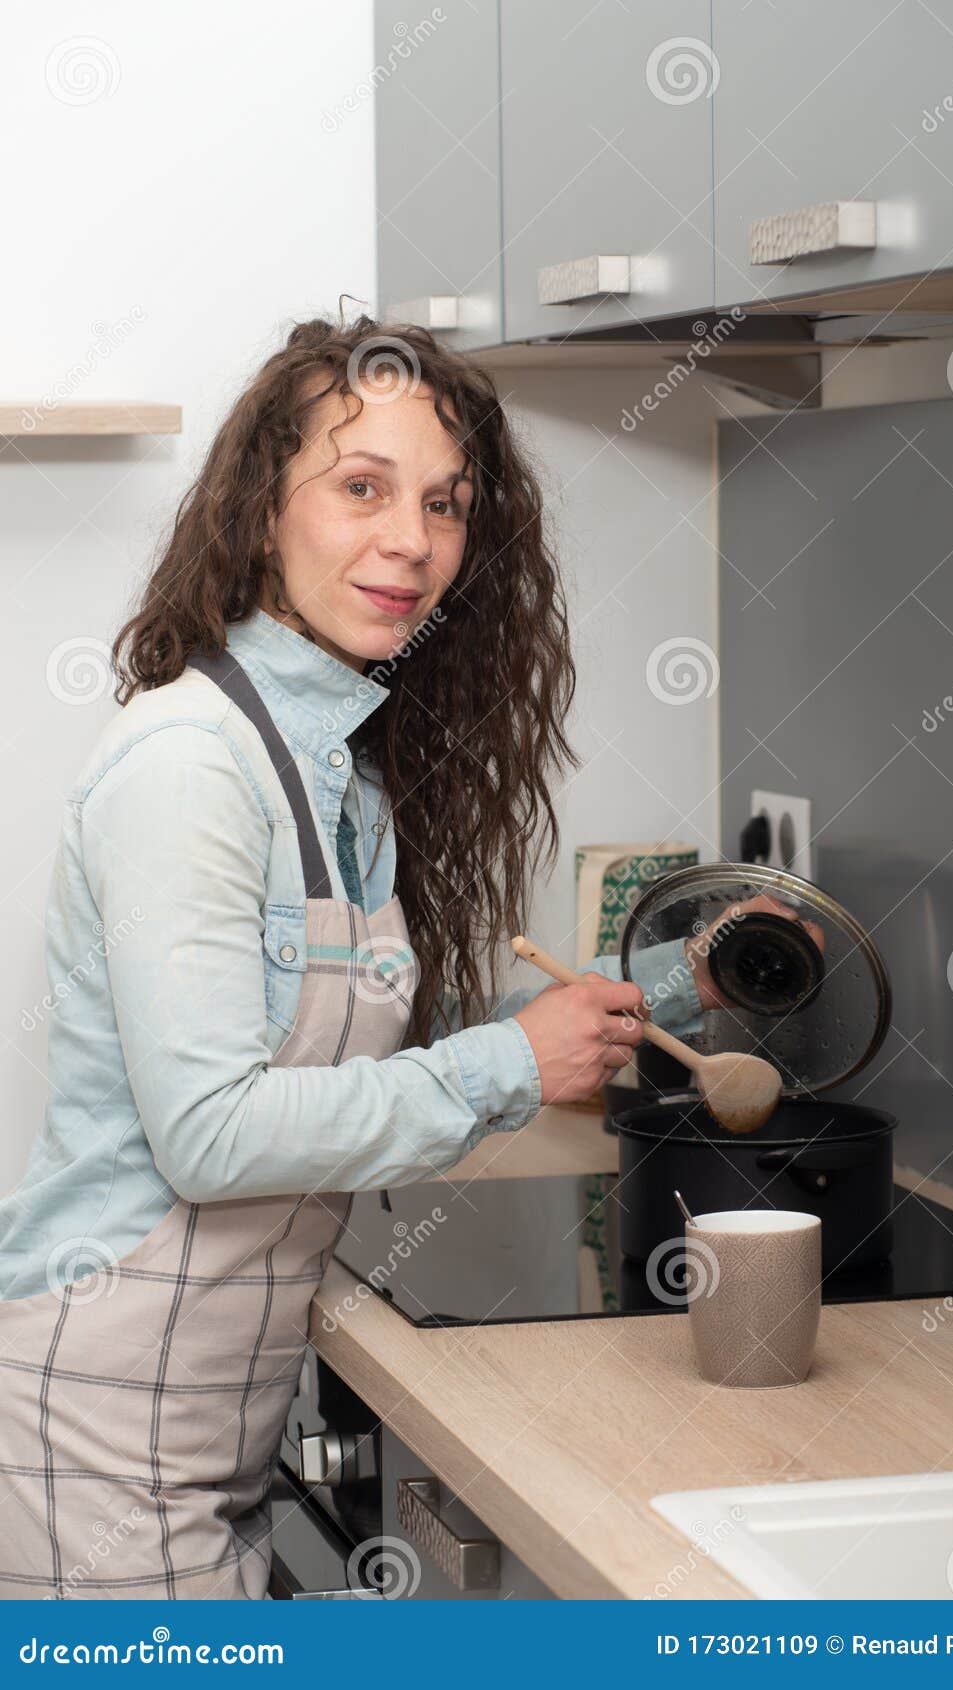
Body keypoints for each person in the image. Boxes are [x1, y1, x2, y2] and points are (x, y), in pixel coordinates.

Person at [0, 316, 721, 1599]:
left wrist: (669, 991)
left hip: (207, 1421)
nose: (413, 542)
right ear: (260, 514)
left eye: (445, 504)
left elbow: (339, 1053)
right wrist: (508, 1064)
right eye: (362, 488)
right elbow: (211, 1134)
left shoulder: (337, 771)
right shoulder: (190, 765)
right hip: (95, 1439)